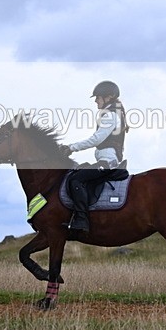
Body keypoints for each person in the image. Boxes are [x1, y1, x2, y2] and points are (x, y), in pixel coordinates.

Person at [61, 80, 128, 234]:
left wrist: (71, 148)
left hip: (107, 162)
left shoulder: (110, 115)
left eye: (98, 97)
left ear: (109, 97)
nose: (96, 100)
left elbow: (96, 140)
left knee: (76, 180)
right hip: (105, 161)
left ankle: (81, 220)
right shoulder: (113, 113)